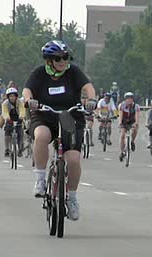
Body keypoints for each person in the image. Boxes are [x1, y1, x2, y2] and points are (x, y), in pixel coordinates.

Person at [23, 40, 98, 221]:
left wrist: (91, 99)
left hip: (69, 116)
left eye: (65, 57)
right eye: (58, 58)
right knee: (41, 135)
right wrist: (29, 100)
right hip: (44, 114)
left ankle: (72, 199)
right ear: (49, 60)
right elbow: (27, 90)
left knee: (72, 159)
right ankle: (40, 180)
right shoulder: (39, 73)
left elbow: (88, 87)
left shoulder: (73, 72)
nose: (63, 61)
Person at [0, 87, 26, 157]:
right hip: (9, 118)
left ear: (16, 96)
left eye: (13, 96)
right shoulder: (5, 103)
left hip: (18, 118)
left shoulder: (20, 102)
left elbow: (22, 110)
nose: (12, 98)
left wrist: (21, 117)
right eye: (10, 96)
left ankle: (20, 148)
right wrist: (7, 119)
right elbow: (4, 112)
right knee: (7, 132)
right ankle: (7, 149)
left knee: (20, 133)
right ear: (8, 97)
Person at [118, 92, 140, 160]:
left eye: (131, 98)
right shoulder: (122, 105)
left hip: (132, 121)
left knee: (135, 130)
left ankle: (132, 141)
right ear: (125, 99)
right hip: (124, 121)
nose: (129, 100)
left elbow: (137, 115)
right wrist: (120, 123)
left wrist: (136, 123)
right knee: (122, 136)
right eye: (128, 98)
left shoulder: (136, 106)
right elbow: (120, 115)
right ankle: (122, 151)